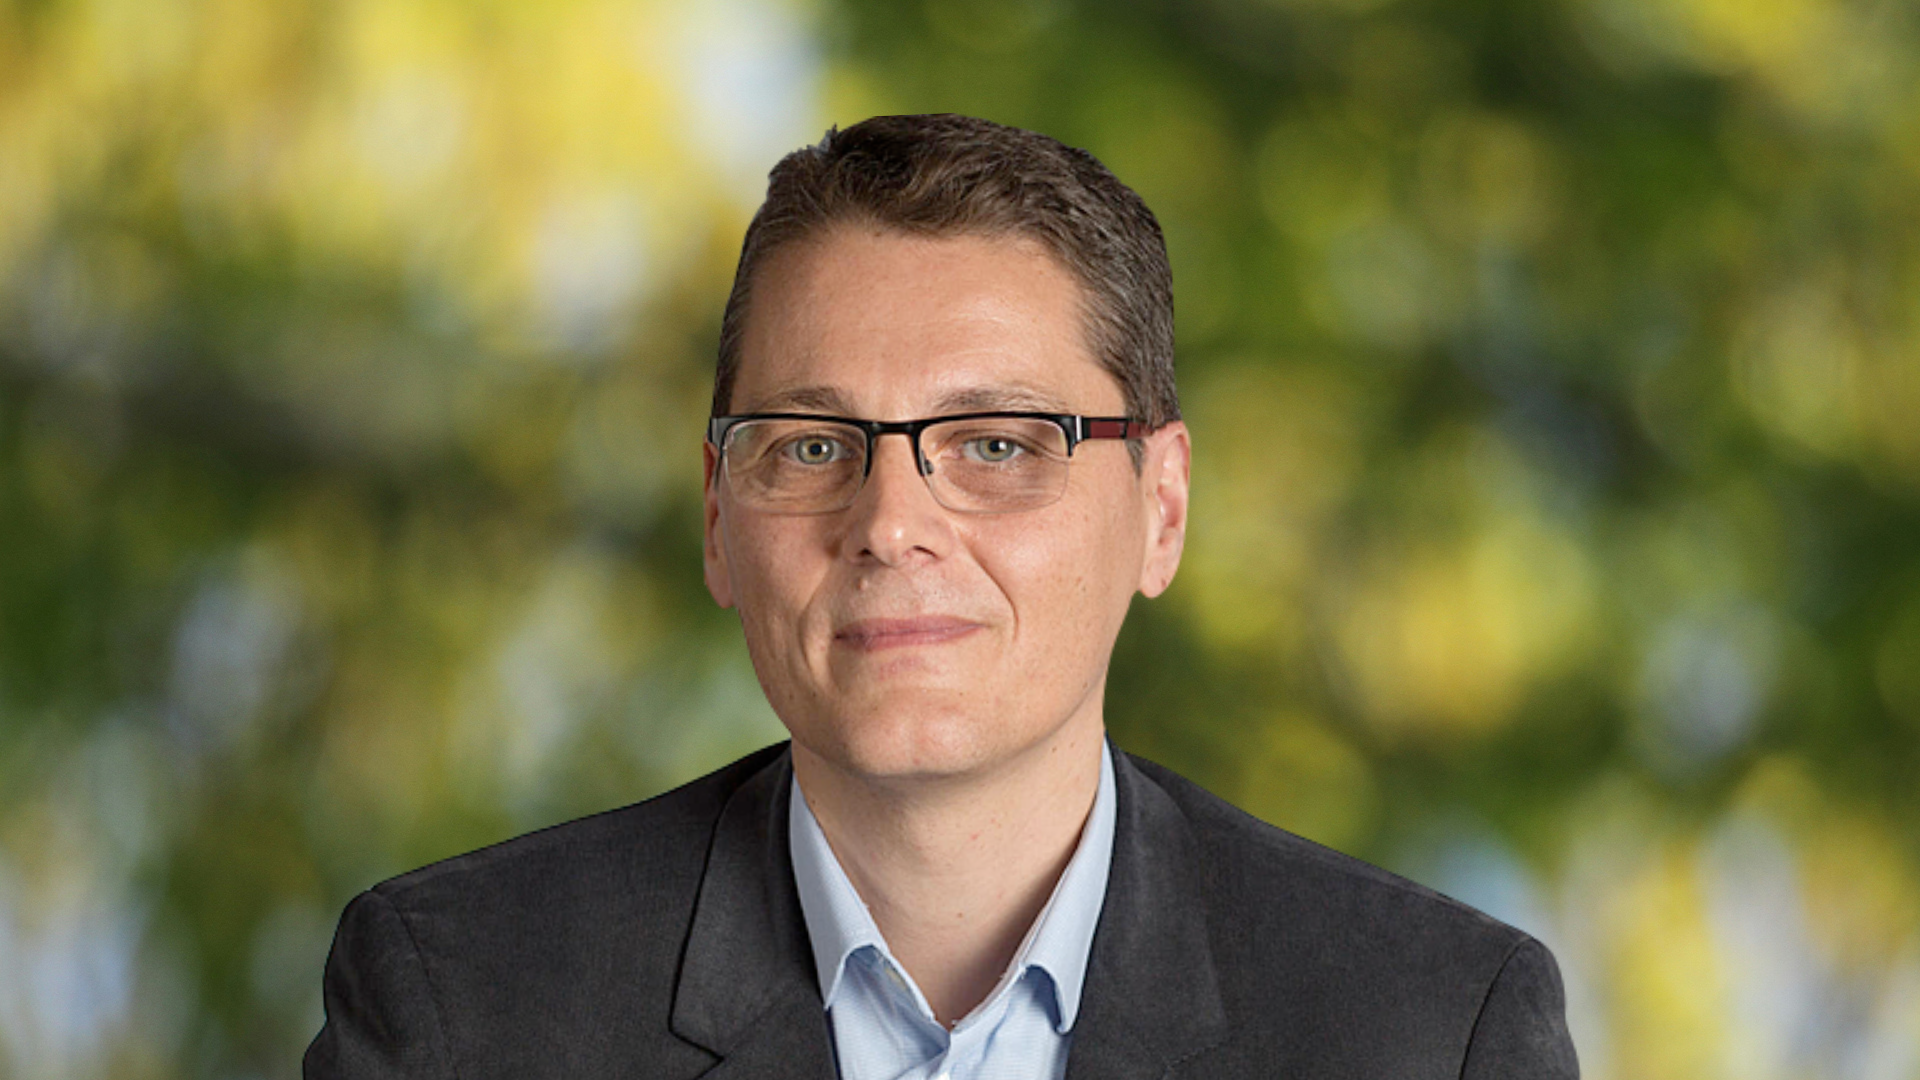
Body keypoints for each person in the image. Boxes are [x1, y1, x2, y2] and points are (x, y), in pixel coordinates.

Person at [304, 113, 1579, 1080]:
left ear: (1162, 507)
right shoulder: (461, 1009)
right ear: (717, 516)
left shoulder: (1431, 1030)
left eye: (999, 445)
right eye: (812, 447)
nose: (890, 525)